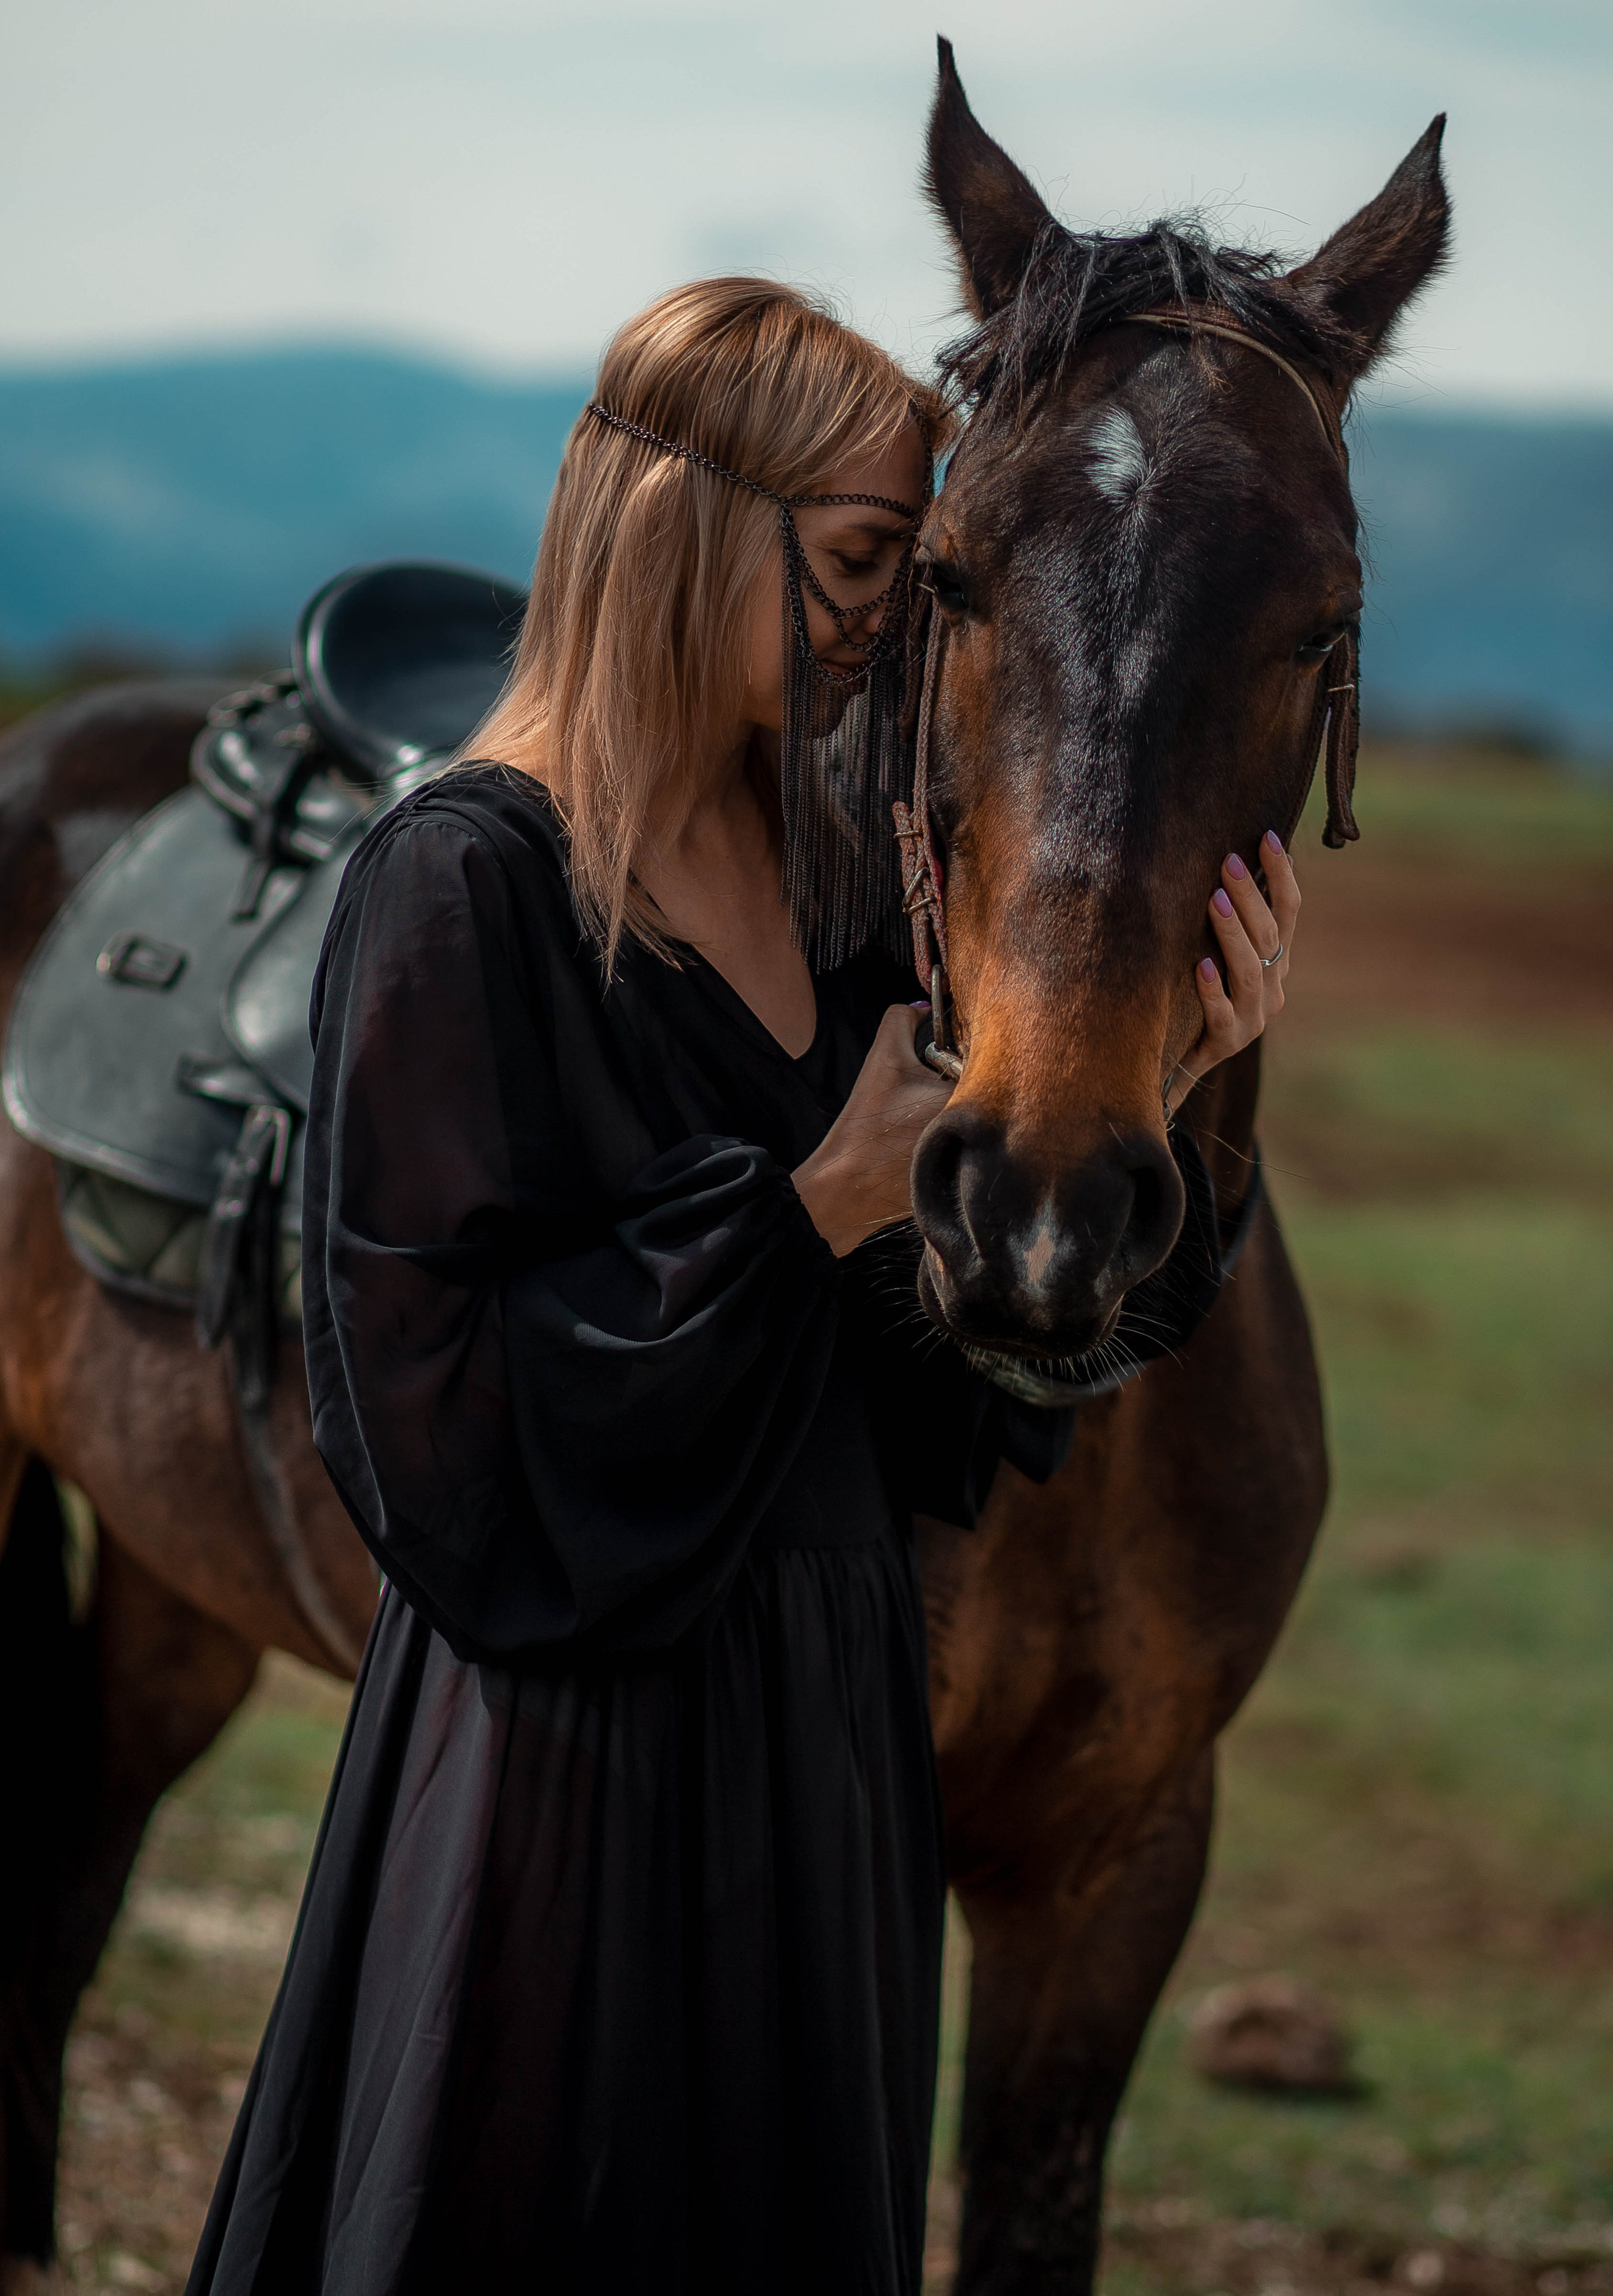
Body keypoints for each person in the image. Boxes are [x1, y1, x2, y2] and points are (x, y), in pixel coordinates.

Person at [186, 276, 1297, 2296]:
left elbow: (962, 1402)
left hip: (822, 1743)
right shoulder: (463, 883)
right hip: (570, 1773)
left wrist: (1181, 1107)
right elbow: (432, 1419)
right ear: (697, 529)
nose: (893, 619)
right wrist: (802, 1213)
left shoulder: (841, 889)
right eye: (868, 559)